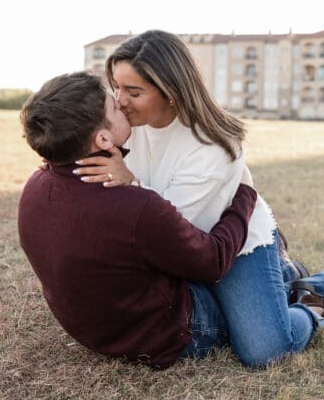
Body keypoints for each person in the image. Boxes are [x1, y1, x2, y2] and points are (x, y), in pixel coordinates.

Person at [72, 30, 324, 368]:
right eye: (115, 87)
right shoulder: (123, 123)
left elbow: (173, 227)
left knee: (264, 350)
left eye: (133, 91)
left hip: (231, 243)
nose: (119, 100)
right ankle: (283, 275)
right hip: (182, 253)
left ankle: (318, 293)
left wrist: (130, 181)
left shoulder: (212, 143)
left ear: (172, 93)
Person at [17, 71, 257, 369]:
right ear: (102, 138)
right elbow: (213, 261)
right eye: (114, 106)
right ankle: (295, 283)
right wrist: (245, 195)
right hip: (172, 335)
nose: (122, 102)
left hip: (96, 335)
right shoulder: (135, 205)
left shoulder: (34, 186)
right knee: (256, 318)